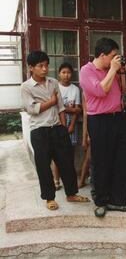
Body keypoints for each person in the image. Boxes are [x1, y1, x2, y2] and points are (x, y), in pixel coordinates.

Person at [21, 50, 89, 210]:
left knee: (67, 163)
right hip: (39, 131)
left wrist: (64, 128)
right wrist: (50, 102)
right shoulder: (26, 87)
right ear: (31, 67)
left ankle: (71, 193)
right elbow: (32, 109)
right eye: (40, 66)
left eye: (46, 65)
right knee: (43, 166)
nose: (45, 69)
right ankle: (49, 198)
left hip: (58, 128)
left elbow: (60, 108)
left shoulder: (53, 82)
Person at [79, 37, 126, 217]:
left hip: (118, 117)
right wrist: (113, 71)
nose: (116, 59)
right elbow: (101, 91)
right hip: (99, 120)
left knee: (121, 160)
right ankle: (101, 201)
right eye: (113, 56)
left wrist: (121, 73)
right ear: (102, 55)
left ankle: (117, 200)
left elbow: (123, 91)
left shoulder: (114, 70)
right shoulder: (86, 71)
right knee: (101, 161)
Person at [51, 63, 82, 190]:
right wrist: (70, 109)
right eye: (63, 72)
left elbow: (78, 110)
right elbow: (55, 108)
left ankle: (70, 181)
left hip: (72, 123)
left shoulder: (75, 89)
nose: (66, 75)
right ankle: (56, 180)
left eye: (68, 72)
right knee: (57, 153)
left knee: (70, 153)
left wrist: (72, 125)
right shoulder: (55, 87)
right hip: (57, 121)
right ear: (59, 73)